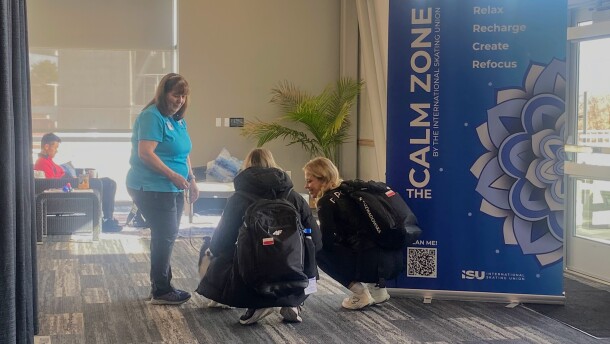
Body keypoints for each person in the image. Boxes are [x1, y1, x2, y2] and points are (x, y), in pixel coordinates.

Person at [196, 148, 322, 325]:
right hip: (294, 271)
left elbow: (220, 243)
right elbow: (316, 240)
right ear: (273, 165)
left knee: (210, 248)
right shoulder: (294, 197)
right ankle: (293, 302)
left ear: (247, 167)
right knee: (307, 255)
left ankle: (257, 303)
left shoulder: (238, 198)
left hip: (252, 274)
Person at [126, 73, 199, 305]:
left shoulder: (178, 119)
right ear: (164, 93)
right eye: (176, 94)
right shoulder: (152, 116)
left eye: (183, 95)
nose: (180, 100)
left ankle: (161, 285)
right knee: (165, 235)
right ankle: (161, 290)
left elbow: (183, 152)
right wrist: (173, 175)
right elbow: (145, 153)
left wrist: (192, 178)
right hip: (151, 186)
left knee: (166, 235)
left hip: (172, 186)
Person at [302, 157, 404, 310]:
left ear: (323, 179)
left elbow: (327, 241)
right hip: (391, 262)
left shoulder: (326, 202)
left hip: (369, 263)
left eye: (310, 181)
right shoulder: (350, 191)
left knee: (318, 251)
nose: (306, 186)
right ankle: (378, 291)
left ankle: (360, 294)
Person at [34, 132, 123, 232]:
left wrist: (77, 177)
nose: (56, 151)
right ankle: (107, 220)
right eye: (55, 147)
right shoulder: (42, 162)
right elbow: (51, 184)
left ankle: (108, 218)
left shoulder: (49, 160)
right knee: (107, 183)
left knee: (109, 183)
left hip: (72, 184)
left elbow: (59, 175)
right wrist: (75, 180)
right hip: (69, 189)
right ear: (46, 146)